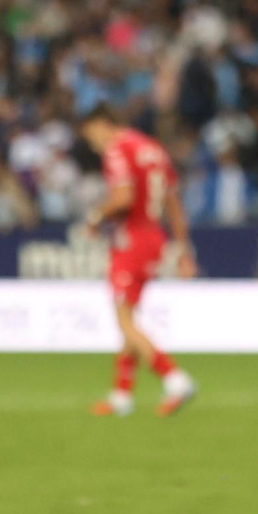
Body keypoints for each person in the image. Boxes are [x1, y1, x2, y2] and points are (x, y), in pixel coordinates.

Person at [79, 104, 197, 417]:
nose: (92, 143)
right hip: (154, 238)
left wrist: (94, 217)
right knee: (128, 315)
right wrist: (183, 249)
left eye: (91, 134)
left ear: (102, 123)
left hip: (131, 239)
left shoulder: (118, 148)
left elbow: (123, 198)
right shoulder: (152, 148)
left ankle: (174, 377)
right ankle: (121, 394)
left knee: (124, 320)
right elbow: (173, 202)